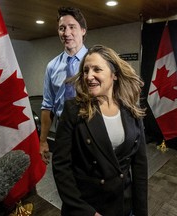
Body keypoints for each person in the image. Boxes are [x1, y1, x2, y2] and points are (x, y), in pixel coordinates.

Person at [52, 45, 148, 216]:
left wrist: (141, 211)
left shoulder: (132, 110)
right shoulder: (73, 110)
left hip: (123, 205)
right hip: (87, 206)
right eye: (86, 70)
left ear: (114, 74)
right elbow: (61, 167)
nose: (89, 77)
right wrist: (86, 212)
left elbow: (139, 166)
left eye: (97, 69)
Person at [39, 7, 88, 164]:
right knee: (64, 172)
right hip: (63, 130)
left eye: (72, 27)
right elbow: (48, 106)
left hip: (90, 127)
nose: (66, 33)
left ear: (83, 30)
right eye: (62, 28)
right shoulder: (52, 66)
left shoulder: (96, 61)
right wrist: (43, 140)